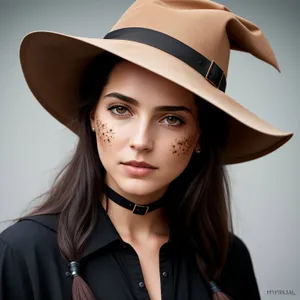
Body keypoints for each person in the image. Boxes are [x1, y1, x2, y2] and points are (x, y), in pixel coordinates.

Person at [0, 1, 293, 300]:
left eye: (171, 119)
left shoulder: (228, 260)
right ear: (92, 116)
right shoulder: (22, 253)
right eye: (120, 109)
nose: (141, 141)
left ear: (200, 136)